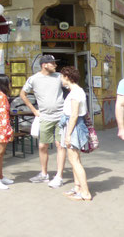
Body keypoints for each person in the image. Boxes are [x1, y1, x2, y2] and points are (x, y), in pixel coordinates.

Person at [20, 54, 66, 188]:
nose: (55, 65)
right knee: (42, 146)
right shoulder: (34, 79)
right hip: (45, 117)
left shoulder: (59, 77)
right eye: (53, 63)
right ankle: (44, 173)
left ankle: (59, 176)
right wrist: (34, 110)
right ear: (44, 64)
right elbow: (23, 94)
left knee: (60, 145)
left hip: (60, 116)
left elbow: (71, 87)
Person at [58, 66, 92, 201]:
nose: (60, 79)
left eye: (61, 76)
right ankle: (78, 187)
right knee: (74, 161)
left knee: (75, 161)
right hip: (74, 127)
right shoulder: (76, 91)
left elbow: (74, 115)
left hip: (74, 128)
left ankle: (85, 192)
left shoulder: (75, 93)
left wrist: (68, 135)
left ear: (67, 77)